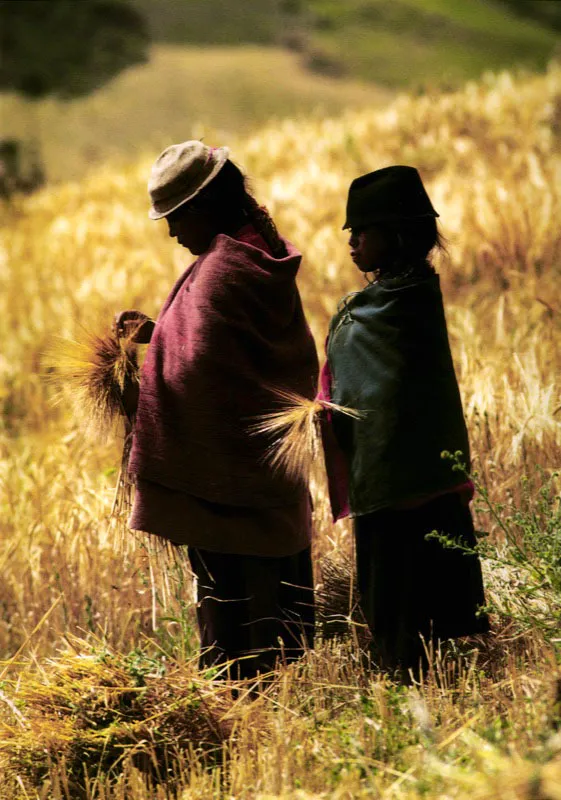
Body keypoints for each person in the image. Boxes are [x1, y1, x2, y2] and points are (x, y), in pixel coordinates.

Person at [115, 140, 319, 679]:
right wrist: (160, 338)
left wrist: (141, 379)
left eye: (176, 218)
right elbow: (237, 360)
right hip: (268, 478)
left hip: (225, 485)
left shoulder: (221, 272)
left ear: (203, 207)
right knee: (272, 604)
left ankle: (241, 701)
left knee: (232, 611)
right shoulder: (258, 252)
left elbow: (203, 373)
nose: (172, 232)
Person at [320, 166, 489, 679]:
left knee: (403, 599)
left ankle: (413, 678)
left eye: (361, 231)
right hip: (412, 474)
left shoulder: (394, 307)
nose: (351, 242)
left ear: (394, 235)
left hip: (397, 482)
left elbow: (382, 395)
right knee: (419, 597)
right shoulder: (400, 301)